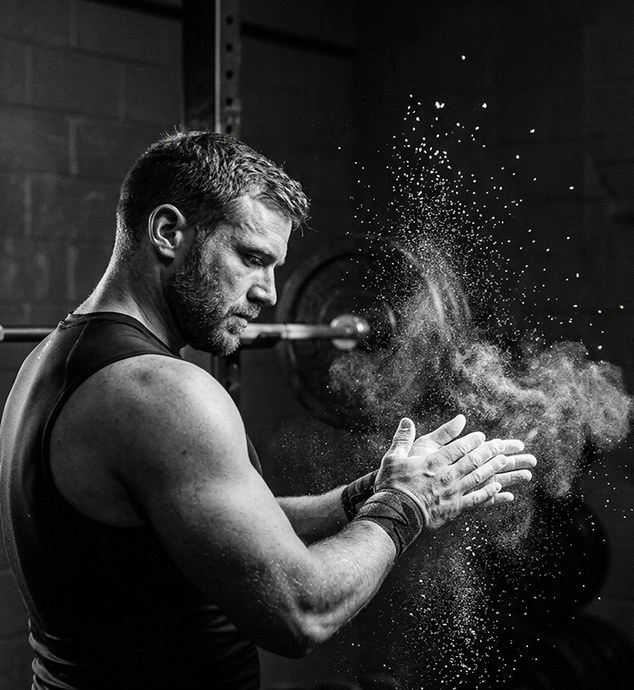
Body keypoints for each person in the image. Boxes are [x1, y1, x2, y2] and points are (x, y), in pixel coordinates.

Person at [0, 130, 536, 688]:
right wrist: (406, 506)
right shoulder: (161, 391)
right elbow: (302, 613)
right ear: (168, 233)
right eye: (252, 259)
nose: (269, 293)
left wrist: (368, 494)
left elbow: (220, 524)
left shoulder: (55, 357)